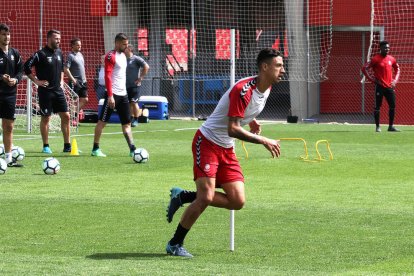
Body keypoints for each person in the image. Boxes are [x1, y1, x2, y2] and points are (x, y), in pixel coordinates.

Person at [165, 48, 284, 257]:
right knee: (205, 198)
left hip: (226, 148)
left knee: (237, 201)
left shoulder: (266, 87)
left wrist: (251, 119)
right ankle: (175, 243)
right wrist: (263, 140)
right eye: (278, 65)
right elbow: (233, 128)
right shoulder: (244, 89)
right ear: (265, 67)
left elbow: (239, 110)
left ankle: (183, 195)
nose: (282, 69)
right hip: (207, 142)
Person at [24, 29, 71, 153]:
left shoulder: (60, 52)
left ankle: (67, 145)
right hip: (45, 92)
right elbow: (26, 66)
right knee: (46, 118)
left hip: (58, 91)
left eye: (59, 39)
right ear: (49, 39)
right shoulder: (40, 54)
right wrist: (36, 81)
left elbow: (61, 69)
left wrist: (61, 81)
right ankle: (46, 146)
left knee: (66, 116)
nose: (58, 41)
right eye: (56, 38)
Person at [91, 33, 137, 157]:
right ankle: (95, 148)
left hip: (124, 95)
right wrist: (110, 95)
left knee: (127, 123)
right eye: (124, 44)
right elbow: (107, 76)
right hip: (113, 95)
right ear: (117, 43)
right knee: (102, 122)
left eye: (127, 44)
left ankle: (132, 149)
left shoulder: (124, 55)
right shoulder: (110, 56)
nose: (126, 47)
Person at [362, 40, 401, 132]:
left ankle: (390, 126)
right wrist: (372, 80)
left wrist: (395, 80)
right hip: (379, 87)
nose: (387, 49)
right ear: (381, 48)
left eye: (388, 47)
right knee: (377, 107)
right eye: (385, 47)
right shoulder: (375, 59)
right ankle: (378, 127)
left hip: (389, 87)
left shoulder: (392, 59)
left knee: (392, 106)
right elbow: (364, 68)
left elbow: (397, 69)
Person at [0, 23, 24, 167]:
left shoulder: (15, 53)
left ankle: (8, 158)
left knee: (8, 126)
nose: (6, 37)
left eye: (8, 34)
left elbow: (20, 71)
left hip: (10, 95)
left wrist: (15, 79)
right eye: (3, 34)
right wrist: (1, 77)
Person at [124, 44, 149, 127]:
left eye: (126, 48)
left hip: (135, 85)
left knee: (134, 102)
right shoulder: (123, 59)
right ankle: (131, 118)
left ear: (130, 49)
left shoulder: (136, 59)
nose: (124, 49)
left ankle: (136, 119)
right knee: (128, 103)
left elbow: (146, 67)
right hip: (125, 86)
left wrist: (140, 78)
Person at [64, 37, 88, 119]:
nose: (79, 46)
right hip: (75, 82)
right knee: (73, 101)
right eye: (77, 45)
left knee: (85, 99)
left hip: (83, 81)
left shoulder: (80, 54)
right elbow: (66, 68)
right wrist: (73, 79)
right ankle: (71, 119)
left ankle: (73, 115)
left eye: (80, 45)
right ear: (72, 46)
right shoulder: (70, 56)